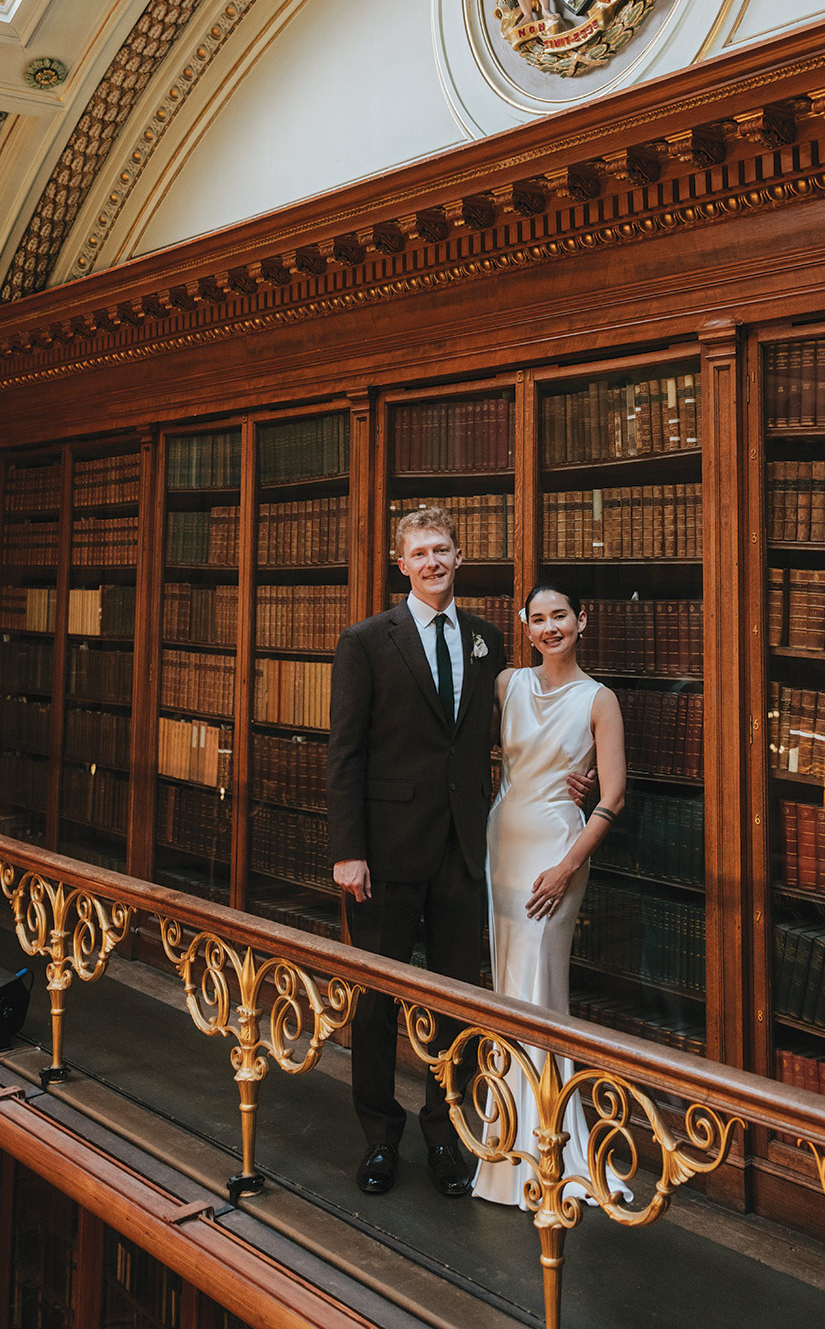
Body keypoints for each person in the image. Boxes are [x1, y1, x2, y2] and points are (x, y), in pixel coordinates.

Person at [327, 506, 506, 1199]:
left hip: (463, 852)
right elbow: (345, 752)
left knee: (457, 1004)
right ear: (400, 565)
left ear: (460, 557)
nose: (432, 561)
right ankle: (379, 1136)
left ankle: (444, 1133)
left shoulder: (489, 640)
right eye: (419, 552)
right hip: (385, 855)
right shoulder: (366, 641)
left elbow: (505, 736)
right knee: (376, 1004)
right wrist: (348, 850)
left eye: (443, 549)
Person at [474, 583, 626, 1208]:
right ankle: (504, 1145)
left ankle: (548, 1150)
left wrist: (566, 866)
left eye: (560, 615)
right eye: (538, 619)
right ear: (525, 626)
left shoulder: (600, 699)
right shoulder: (507, 684)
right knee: (509, 984)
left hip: (558, 847)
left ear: (581, 620)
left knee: (540, 984)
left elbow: (613, 798)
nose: (549, 627)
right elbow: (477, 753)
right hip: (504, 839)